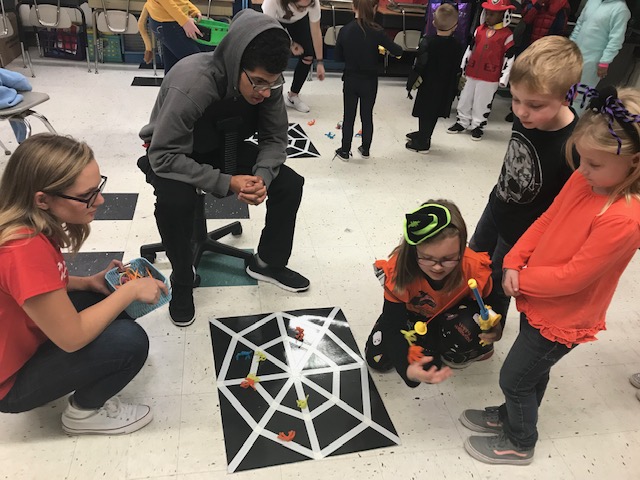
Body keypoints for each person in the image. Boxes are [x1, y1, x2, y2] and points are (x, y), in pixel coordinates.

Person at [461, 85, 640, 465]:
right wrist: (514, 259)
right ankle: (511, 415)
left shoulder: (624, 218)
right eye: (582, 159)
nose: (583, 169)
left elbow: (577, 276)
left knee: (515, 378)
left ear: (634, 164)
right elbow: (547, 219)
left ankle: (520, 441)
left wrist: (523, 280)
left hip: (565, 315)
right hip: (538, 297)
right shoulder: (585, 179)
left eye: (594, 164)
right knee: (531, 372)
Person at [139, 9, 309, 327]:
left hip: (222, 144)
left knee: (289, 184)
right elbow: (163, 155)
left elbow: (275, 140)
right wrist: (226, 182)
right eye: (256, 82)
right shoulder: (193, 82)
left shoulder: (268, 85)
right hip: (172, 152)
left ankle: (267, 263)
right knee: (176, 202)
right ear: (235, 62)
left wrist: (262, 177)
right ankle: (183, 278)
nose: (264, 92)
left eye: (271, 84)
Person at [0, 134, 167, 435]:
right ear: (43, 199)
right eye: (87, 195)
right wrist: (130, 290)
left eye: (97, 187)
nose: (100, 200)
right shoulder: (23, 249)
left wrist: (88, 283)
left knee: (103, 301)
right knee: (129, 341)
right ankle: (84, 414)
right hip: (8, 384)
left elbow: (36, 288)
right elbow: (72, 338)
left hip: (22, 341)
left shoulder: (23, 225)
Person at [469, 36, 582, 323]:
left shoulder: (573, 145)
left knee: (497, 284)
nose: (521, 111)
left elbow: (568, 209)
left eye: (534, 105)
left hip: (522, 232)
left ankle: (485, 336)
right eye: (516, 100)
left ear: (567, 96)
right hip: (497, 206)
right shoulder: (526, 118)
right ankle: (464, 313)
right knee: (472, 261)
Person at [364, 200, 503, 388]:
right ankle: (439, 344)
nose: (437, 267)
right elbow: (392, 324)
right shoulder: (399, 271)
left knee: (468, 331)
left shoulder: (474, 268)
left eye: (448, 259)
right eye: (427, 258)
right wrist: (408, 370)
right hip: (411, 316)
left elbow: (488, 306)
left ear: (462, 249)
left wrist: (494, 327)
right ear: (413, 251)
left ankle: (459, 347)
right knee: (377, 360)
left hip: (449, 316)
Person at [332, 0, 403, 161]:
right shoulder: (377, 31)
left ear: (353, 7)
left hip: (350, 79)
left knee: (348, 116)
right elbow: (398, 50)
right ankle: (365, 149)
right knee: (367, 115)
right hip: (370, 81)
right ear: (375, 8)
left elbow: (338, 57)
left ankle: (344, 150)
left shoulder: (345, 30)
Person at [448, 0, 517, 140]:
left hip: (490, 75)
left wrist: (504, 78)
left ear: (503, 15)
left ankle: (478, 125)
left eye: (492, 14)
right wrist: (463, 66)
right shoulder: (479, 30)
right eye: (487, 13)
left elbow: (509, 58)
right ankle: (462, 121)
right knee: (465, 97)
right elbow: (470, 49)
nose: (488, 17)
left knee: (482, 101)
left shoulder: (506, 35)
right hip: (471, 71)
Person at [405, 3, 463, 153]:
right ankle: (424, 133)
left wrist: (411, 83)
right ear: (455, 26)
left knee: (425, 112)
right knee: (433, 113)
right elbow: (457, 68)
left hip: (428, 85)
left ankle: (424, 142)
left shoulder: (428, 42)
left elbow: (419, 65)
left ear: (433, 22)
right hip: (445, 86)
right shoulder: (457, 45)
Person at [262, 0, 326, 113]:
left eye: (306, 7)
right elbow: (268, 31)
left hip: (298, 21)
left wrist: (320, 62)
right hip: (274, 21)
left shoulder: (313, 3)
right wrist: (290, 44)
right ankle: (268, 96)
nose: (303, 9)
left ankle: (293, 96)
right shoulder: (272, 2)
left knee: (308, 56)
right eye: (301, 7)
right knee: (271, 55)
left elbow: (316, 31)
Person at [570, 0, 631, 105]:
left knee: (579, 95)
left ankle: (573, 120)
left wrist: (605, 61)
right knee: (564, 87)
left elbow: (616, 40)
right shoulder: (592, 1)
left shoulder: (620, 9)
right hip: (574, 54)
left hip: (593, 61)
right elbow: (579, 25)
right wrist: (568, 46)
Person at [142, 0, 206, 73]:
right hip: (168, 23)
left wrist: (192, 9)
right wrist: (185, 22)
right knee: (197, 64)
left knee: (172, 67)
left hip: (168, 20)